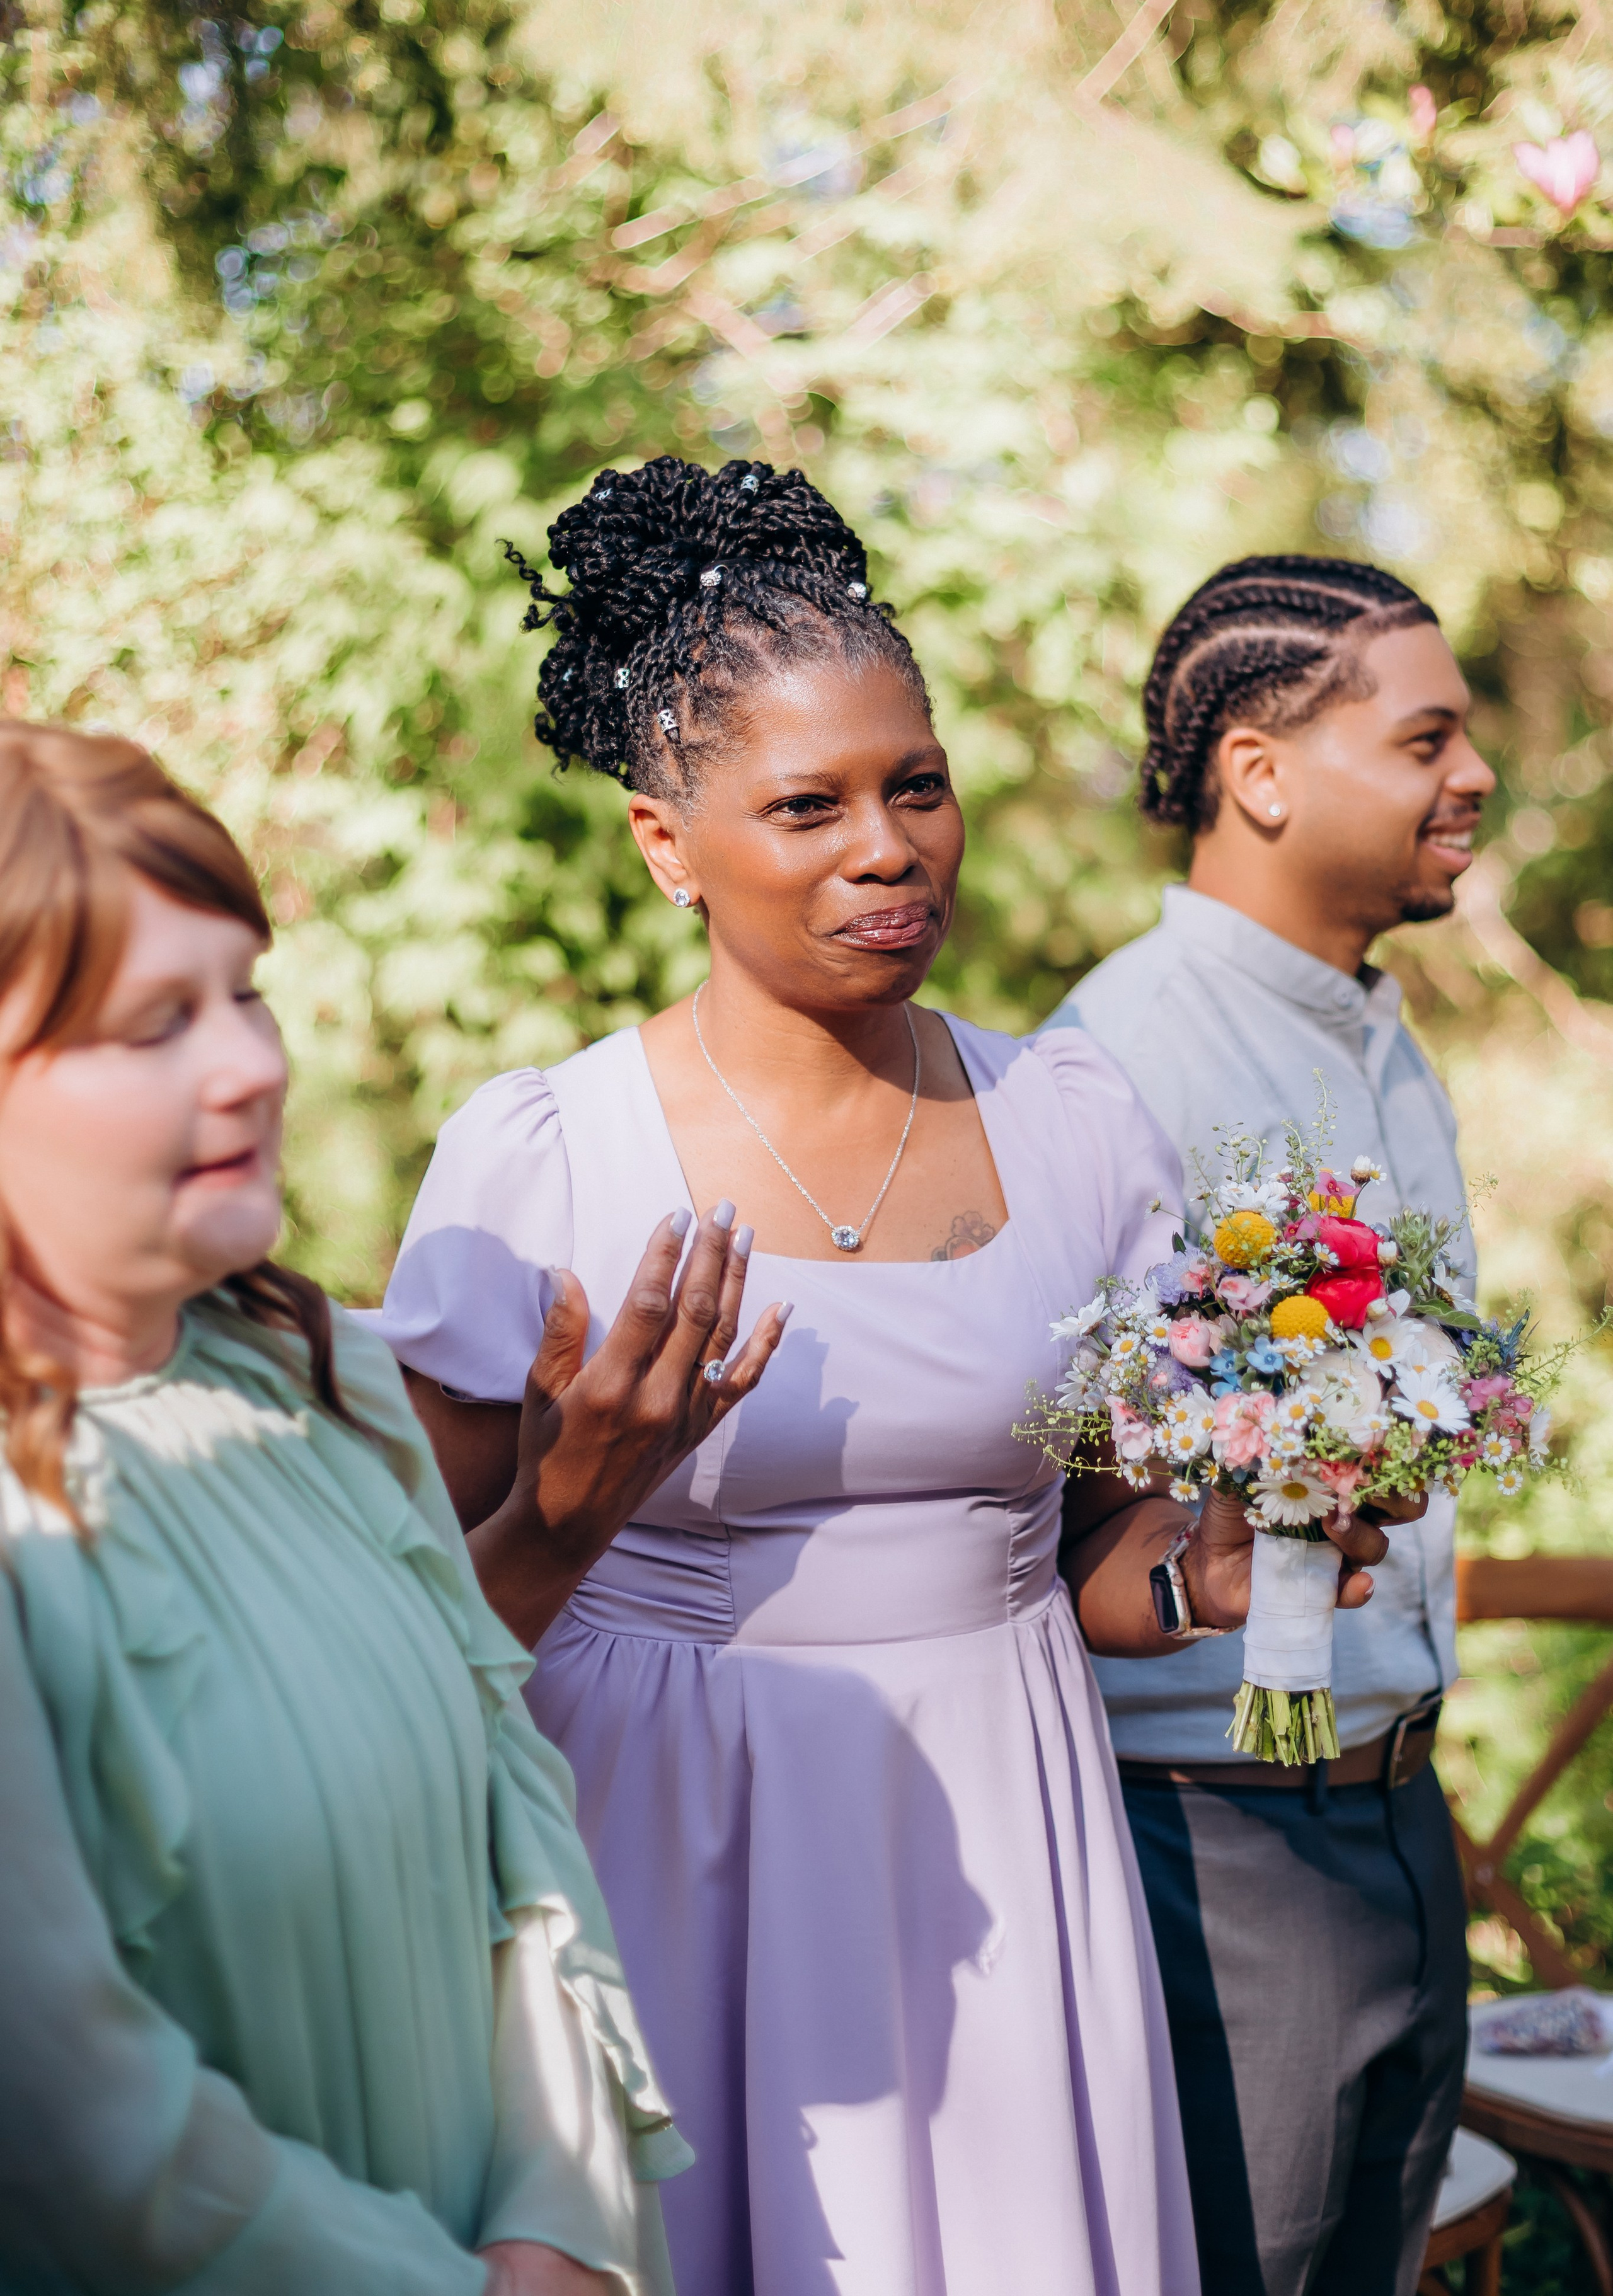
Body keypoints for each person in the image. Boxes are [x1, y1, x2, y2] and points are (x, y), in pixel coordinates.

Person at [369, 460, 1401, 2296]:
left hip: (1001, 1839)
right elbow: (391, 1633)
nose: (887, 845)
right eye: (808, 804)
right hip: (663, 1836)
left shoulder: (1074, 1124)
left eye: (916, 785)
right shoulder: (546, 1161)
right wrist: (574, 1496)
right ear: (666, 842)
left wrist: (1199, 1572)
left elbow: (1094, 1548)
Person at [0, 720, 757, 2295]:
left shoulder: (329, 1387)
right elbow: (69, 2119)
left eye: (246, 992)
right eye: (156, 1025)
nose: (254, 1063)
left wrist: (557, 2226)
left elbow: (522, 1852)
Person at [1041, 553, 1497, 2296]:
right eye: (1426, 739)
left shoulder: (1385, 1041)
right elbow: (1060, 1488)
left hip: (1399, 1808)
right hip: (1214, 1833)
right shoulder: (1120, 1067)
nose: (1471, 779)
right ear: (1262, 770)